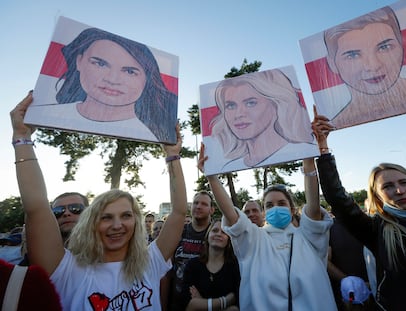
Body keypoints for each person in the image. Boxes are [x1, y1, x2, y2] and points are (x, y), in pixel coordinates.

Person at [11, 91, 187, 310]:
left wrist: (172, 155)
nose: (117, 225)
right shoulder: (66, 270)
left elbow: (179, 212)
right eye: (106, 217)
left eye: (126, 216)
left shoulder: (150, 262)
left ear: (136, 221)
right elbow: (36, 207)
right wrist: (22, 138)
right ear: (91, 223)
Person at [198, 143, 336, 310]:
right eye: (269, 205)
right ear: (264, 212)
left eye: (281, 203)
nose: (276, 207)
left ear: (292, 210)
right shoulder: (254, 240)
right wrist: (212, 177)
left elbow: (313, 204)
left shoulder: (308, 237)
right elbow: (230, 213)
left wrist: (308, 157)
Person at [313, 109, 406, 311]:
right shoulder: (376, 229)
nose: (399, 190)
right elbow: (338, 199)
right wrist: (323, 150)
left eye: (404, 182)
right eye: (387, 186)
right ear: (376, 196)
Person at [31, 27, 177, 143]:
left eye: (130, 71)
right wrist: (22, 136)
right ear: (79, 61)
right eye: (100, 64)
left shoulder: (153, 137)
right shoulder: (43, 114)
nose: (113, 79)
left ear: (148, 79)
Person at [324, 6, 406, 129]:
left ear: (401, 46)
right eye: (353, 55)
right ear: (332, 64)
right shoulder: (337, 126)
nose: (373, 66)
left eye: (384, 47)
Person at [210, 69, 315, 169]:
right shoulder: (230, 166)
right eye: (231, 106)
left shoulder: (307, 151)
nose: (238, 114)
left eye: (251, 103)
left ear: (276, 106)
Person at [168, 190, 215, 311]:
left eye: (204, 204)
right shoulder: (178, 231)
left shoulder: (217, 233)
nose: (199, 206)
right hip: (176, 302)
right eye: (196, 203)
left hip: (207, 303)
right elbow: (167, 268)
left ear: (212, 210)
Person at [182, 219, 240, 311]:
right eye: (214, 230)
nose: (218, 234)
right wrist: (224, 301)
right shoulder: (192, 265)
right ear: (207, 236)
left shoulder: (235, 267)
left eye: (224, 232)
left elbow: (235, 307)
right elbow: (190, 305)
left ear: (229, 240)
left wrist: (202, 303)